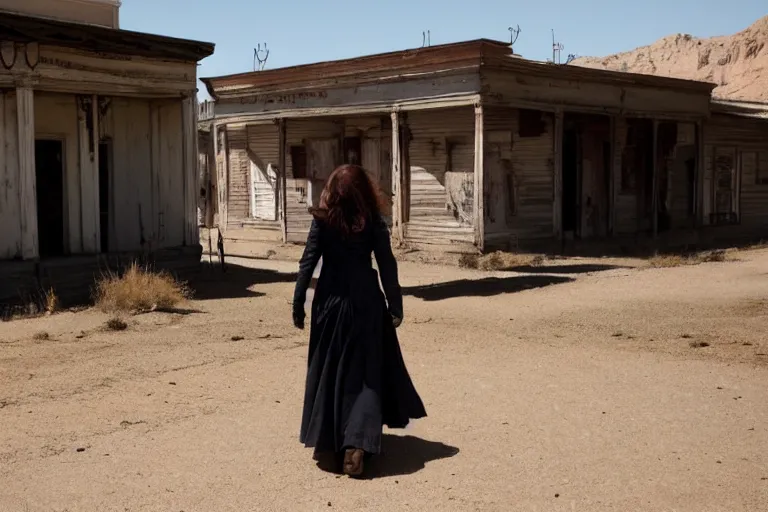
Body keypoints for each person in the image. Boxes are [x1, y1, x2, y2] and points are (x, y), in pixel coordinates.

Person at [292, 164, 427, 477]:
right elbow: (386, 264)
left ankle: (337, 441)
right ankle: (357, 442)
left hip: (330, 304)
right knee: (365, 375)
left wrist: (298, 303)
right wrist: (395, 304)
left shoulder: (323, 221)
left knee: (332, 372)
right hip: (366, 303)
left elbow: (307, 263)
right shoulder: (371, 221)